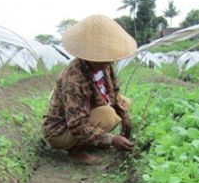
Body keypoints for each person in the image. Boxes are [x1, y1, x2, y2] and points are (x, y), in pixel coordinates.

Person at [42, 14, 137, 164]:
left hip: (84, 114)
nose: (109, 61)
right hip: (60, 131)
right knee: (108, 115)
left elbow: (114, 95)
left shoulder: (104, 67)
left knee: (124, 103)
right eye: (102, 57)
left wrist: (125, 119)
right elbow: (76, 125)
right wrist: (111, 139)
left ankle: (90, 141)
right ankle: (75, 151)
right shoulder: (74, 78)